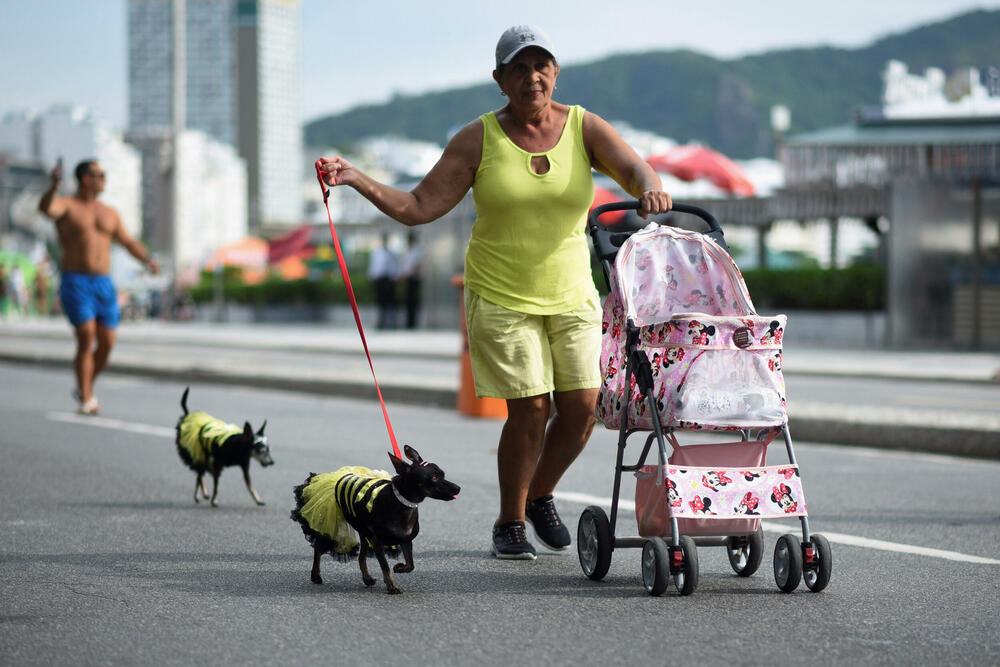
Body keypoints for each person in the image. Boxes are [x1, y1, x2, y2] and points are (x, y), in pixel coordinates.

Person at [318, 24, 671, 560]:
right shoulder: (477, 138)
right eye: (519, 68)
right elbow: (418, 208)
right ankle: (509, 522)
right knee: (530, 409)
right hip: (502, 295)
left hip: (572, 292)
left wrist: (648, 185)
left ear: (555, 72)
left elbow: (633, 166)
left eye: (541, 66)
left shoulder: (583, 126)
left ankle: (539, 495)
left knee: (582, 409)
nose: (533, 77)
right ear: (499, 79)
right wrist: (354, 177)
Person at [38, 159, 160, 415]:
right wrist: (53, 186)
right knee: (86, 336)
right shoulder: (67, 205)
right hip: (76, 280)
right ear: (86, 178)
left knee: (108, 341)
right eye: (100, 175)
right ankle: (87, 400)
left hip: (104, 283)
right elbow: (46, 208)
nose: (104, 179)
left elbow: (128, 241)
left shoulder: (109, 212)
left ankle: (86, 387)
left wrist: (148, 259)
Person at [368, 233, 400, 329]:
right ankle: (380, 323)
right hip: (379, 279)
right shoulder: (377, 253)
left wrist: (394, 279)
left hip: (388, 280)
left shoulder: (391, 253)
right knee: (379, 302)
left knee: (390, 302)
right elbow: (374, 267)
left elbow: (394, 267)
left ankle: (390, 323)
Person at [398, 231, 423, 329]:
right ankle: (409, 322)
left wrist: (405, 276)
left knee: (412, 301)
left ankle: (412, 323)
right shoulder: (409, 251)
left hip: (413, 278)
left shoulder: (416, 251)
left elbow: (415, 266)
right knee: (408, 301)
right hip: (408, 278)